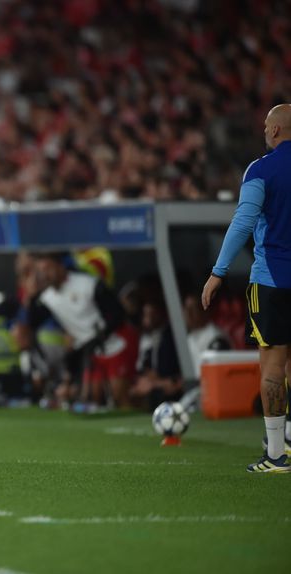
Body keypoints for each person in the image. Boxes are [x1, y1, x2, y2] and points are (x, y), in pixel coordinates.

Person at [202, 104, 291, 473]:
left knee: (272, 366)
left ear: (273, 132)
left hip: (272, 279)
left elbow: (243, 223)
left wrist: (218, 271)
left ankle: (276, 454)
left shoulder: (261, 169)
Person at [26, 252, 138, 410]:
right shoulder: (47, 297)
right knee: (93, 397)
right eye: (40, 271)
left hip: (114, 342)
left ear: (59, 266)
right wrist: (31, 297)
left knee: (120, 395)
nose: (44, 275)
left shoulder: (87, 284)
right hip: (89, 350)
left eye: (47, 268)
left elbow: (117, 313)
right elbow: (32, 322)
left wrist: (100, 335)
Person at [130, 300, 182, 410]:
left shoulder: (172, 336)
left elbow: (174, 372)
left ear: (160, 314)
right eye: (146, 314)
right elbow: (145, 366)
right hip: (156, 383)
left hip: (173, 383)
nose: (148, 319)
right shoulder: (148, 337)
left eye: (152, 314)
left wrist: (155, 382)